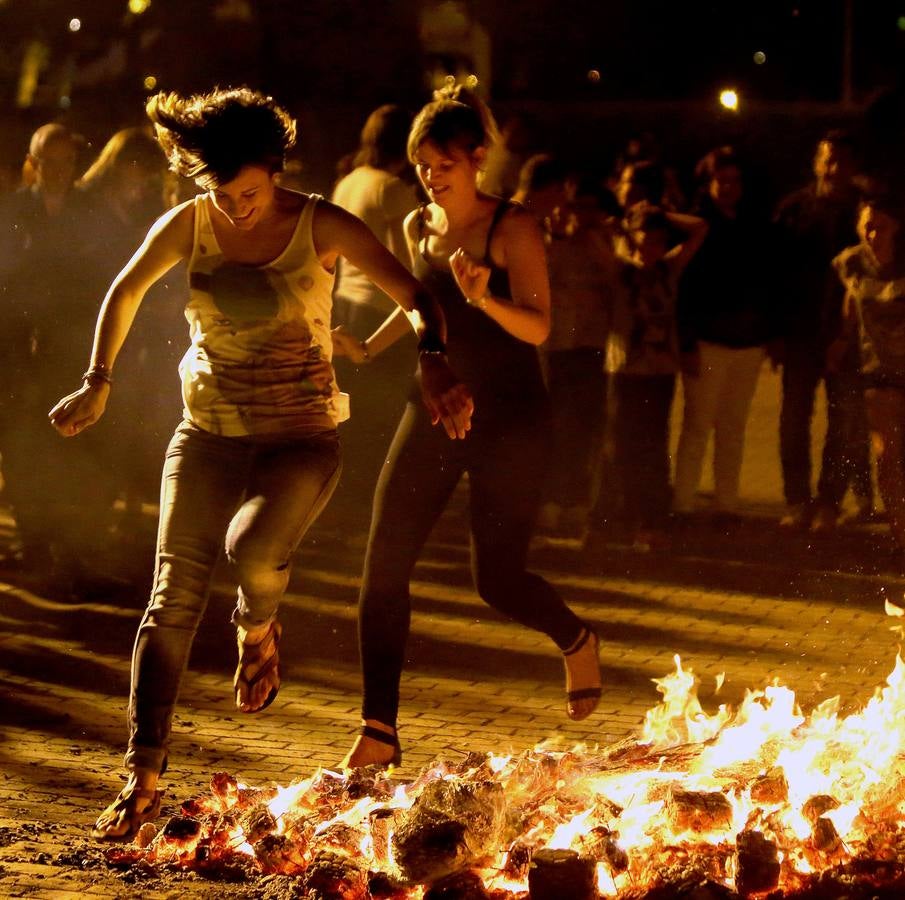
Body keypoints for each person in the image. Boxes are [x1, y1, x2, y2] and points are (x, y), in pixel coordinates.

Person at [48, 86, 472, 840]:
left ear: (274, 171)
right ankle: (141, 776)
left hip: (302, 437)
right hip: (206, 432)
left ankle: (259, 624)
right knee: (171, 597)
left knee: (249, 551)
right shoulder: (190, 223)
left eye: (247, 192)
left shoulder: (322, 223)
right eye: (221, 192)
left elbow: (416, 297)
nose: (236, 208)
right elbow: (126, 290)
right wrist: (97, 380)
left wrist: (434, 363)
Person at [336, 84, 602, 769]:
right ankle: (378, 728)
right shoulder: (415, 226)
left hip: (511, 416)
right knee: (383, 561)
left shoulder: (509, 227)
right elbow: (423, 305)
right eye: (421, 165)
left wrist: (486, 298)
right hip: (432, 405)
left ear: (476, 157)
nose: (431, 176)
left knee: (497, 579)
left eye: (441, 163)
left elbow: (539, 325)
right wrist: (369, 345)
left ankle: (574, 639)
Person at [0, 122, 114, 591]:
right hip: (17, 347)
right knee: (20, 444)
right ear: (35, 162)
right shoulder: (13, 210)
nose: (59, 171)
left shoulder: (88, 211)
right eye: (50, 161)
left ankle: (65, 541)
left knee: (65, 444)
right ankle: (33, 537)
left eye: (66, 162)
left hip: (66, 346)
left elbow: (98, 278)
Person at [672, 147, 778, 528]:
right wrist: (686, 342)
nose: (729, 187)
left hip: (746, 341)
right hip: (708, 339)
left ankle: (726, 504)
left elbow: (766, 282)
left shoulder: (753, 223)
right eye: (722, 180)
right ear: (709, 182)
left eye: (735, 180)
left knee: (733, 425)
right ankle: (684, 502)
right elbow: (682, 288)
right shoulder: (698, 223)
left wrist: (765, 333)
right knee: (698, 423)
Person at [773, 131, 872, 530]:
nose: (834, 169)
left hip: (844, 333)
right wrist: (775, 333)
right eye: (828, 160)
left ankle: (829, 501)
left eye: (842, 162)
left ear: (852, 167)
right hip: (798, 333)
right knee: (794, 418)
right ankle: (797, 500)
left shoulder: (862, 215)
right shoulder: (793, 209)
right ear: (817, 162)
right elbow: (774, 276)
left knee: (843, 423)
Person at [330, 105, 420, 531]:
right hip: (383, 318)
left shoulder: (348, 182)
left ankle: (341, 510)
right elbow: (410, 272)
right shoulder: (391, 189)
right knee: (380, 424)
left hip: (346, 307)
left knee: (350, 419)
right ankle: (368, 517)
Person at [830, 192, 905, 551]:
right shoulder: (850, 262)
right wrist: (843, 338)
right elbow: (851, 298)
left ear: (896, 227)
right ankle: (900, 531)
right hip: (878, 368)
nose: (874, 235)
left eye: (881, 227)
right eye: (868, 227)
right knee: (887, 452)